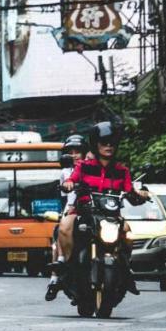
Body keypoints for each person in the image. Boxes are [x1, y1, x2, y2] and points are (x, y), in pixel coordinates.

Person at [49, 122, 147, 299]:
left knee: (128, 233)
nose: (108, 146)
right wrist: (69, 184)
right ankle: (66, 264)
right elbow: (70, 180)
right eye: (104, 143)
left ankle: (127, 268)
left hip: (111, 217)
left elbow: (130, 192)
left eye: (112, 143)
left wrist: (140, 195)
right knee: (64, 226)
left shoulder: (122, 170)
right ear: (95, 144)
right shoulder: (83, 166)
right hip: (83, 213)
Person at [45, 134, 88, 301]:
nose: (74, 155)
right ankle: (55, 277)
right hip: (72, 209)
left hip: (92, 210)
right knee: (61, 232)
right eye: (71, 151)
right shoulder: (65, 172)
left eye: (78, 151)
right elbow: (66, 195)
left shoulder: (93, 168)